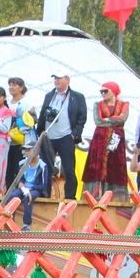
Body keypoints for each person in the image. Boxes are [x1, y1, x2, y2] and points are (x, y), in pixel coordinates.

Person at [36, 71, 87, 200]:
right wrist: (40, 132)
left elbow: (82, 117)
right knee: (46, 167)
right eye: (55, 78)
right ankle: (45, 194)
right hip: (49, 136)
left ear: (67, 80)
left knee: (69, 168)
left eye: (59, 78)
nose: (56, 81)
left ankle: (70, 196)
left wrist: (75, 134)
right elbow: (43, 114)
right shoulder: (49, 95)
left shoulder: (77, 97)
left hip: (66, 136)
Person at [82, 81, 130, 202]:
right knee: (96, 167)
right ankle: (95, 196)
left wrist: (107, 119)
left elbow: (123, 118)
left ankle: (114, 197)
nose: (103, 93)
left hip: (117, 140)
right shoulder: (97, 104)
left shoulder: (124, 104)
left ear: (113, 91)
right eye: (101, 91)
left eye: (105, 91)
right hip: (100, 139)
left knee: (115, 167)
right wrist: (115, 121)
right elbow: (98, 121)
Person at [3, 140, 50, 230]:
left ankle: (26, 224)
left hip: (35, 189)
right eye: (26, 150)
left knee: (29, 197)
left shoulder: (42, 166)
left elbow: (43, 185)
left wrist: (31, 188)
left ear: (37, 151)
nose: (27, 153)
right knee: (13, 196)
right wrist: (22, 186)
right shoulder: (22, 163)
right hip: (23, 187)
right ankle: (10, 221)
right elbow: (19, 180)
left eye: (29, 150)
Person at [6, 78, 39, 190]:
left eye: (14, 85)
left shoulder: (26, 102)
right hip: (7, 141)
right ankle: (8, 194)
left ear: (21, 87)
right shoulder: (6, 103)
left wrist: (20, 123)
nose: (11, 87)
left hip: (22, 141)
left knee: (18, 167)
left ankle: (19, 191)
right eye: (10, 85)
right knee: (8, 169)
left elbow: (34, 119)